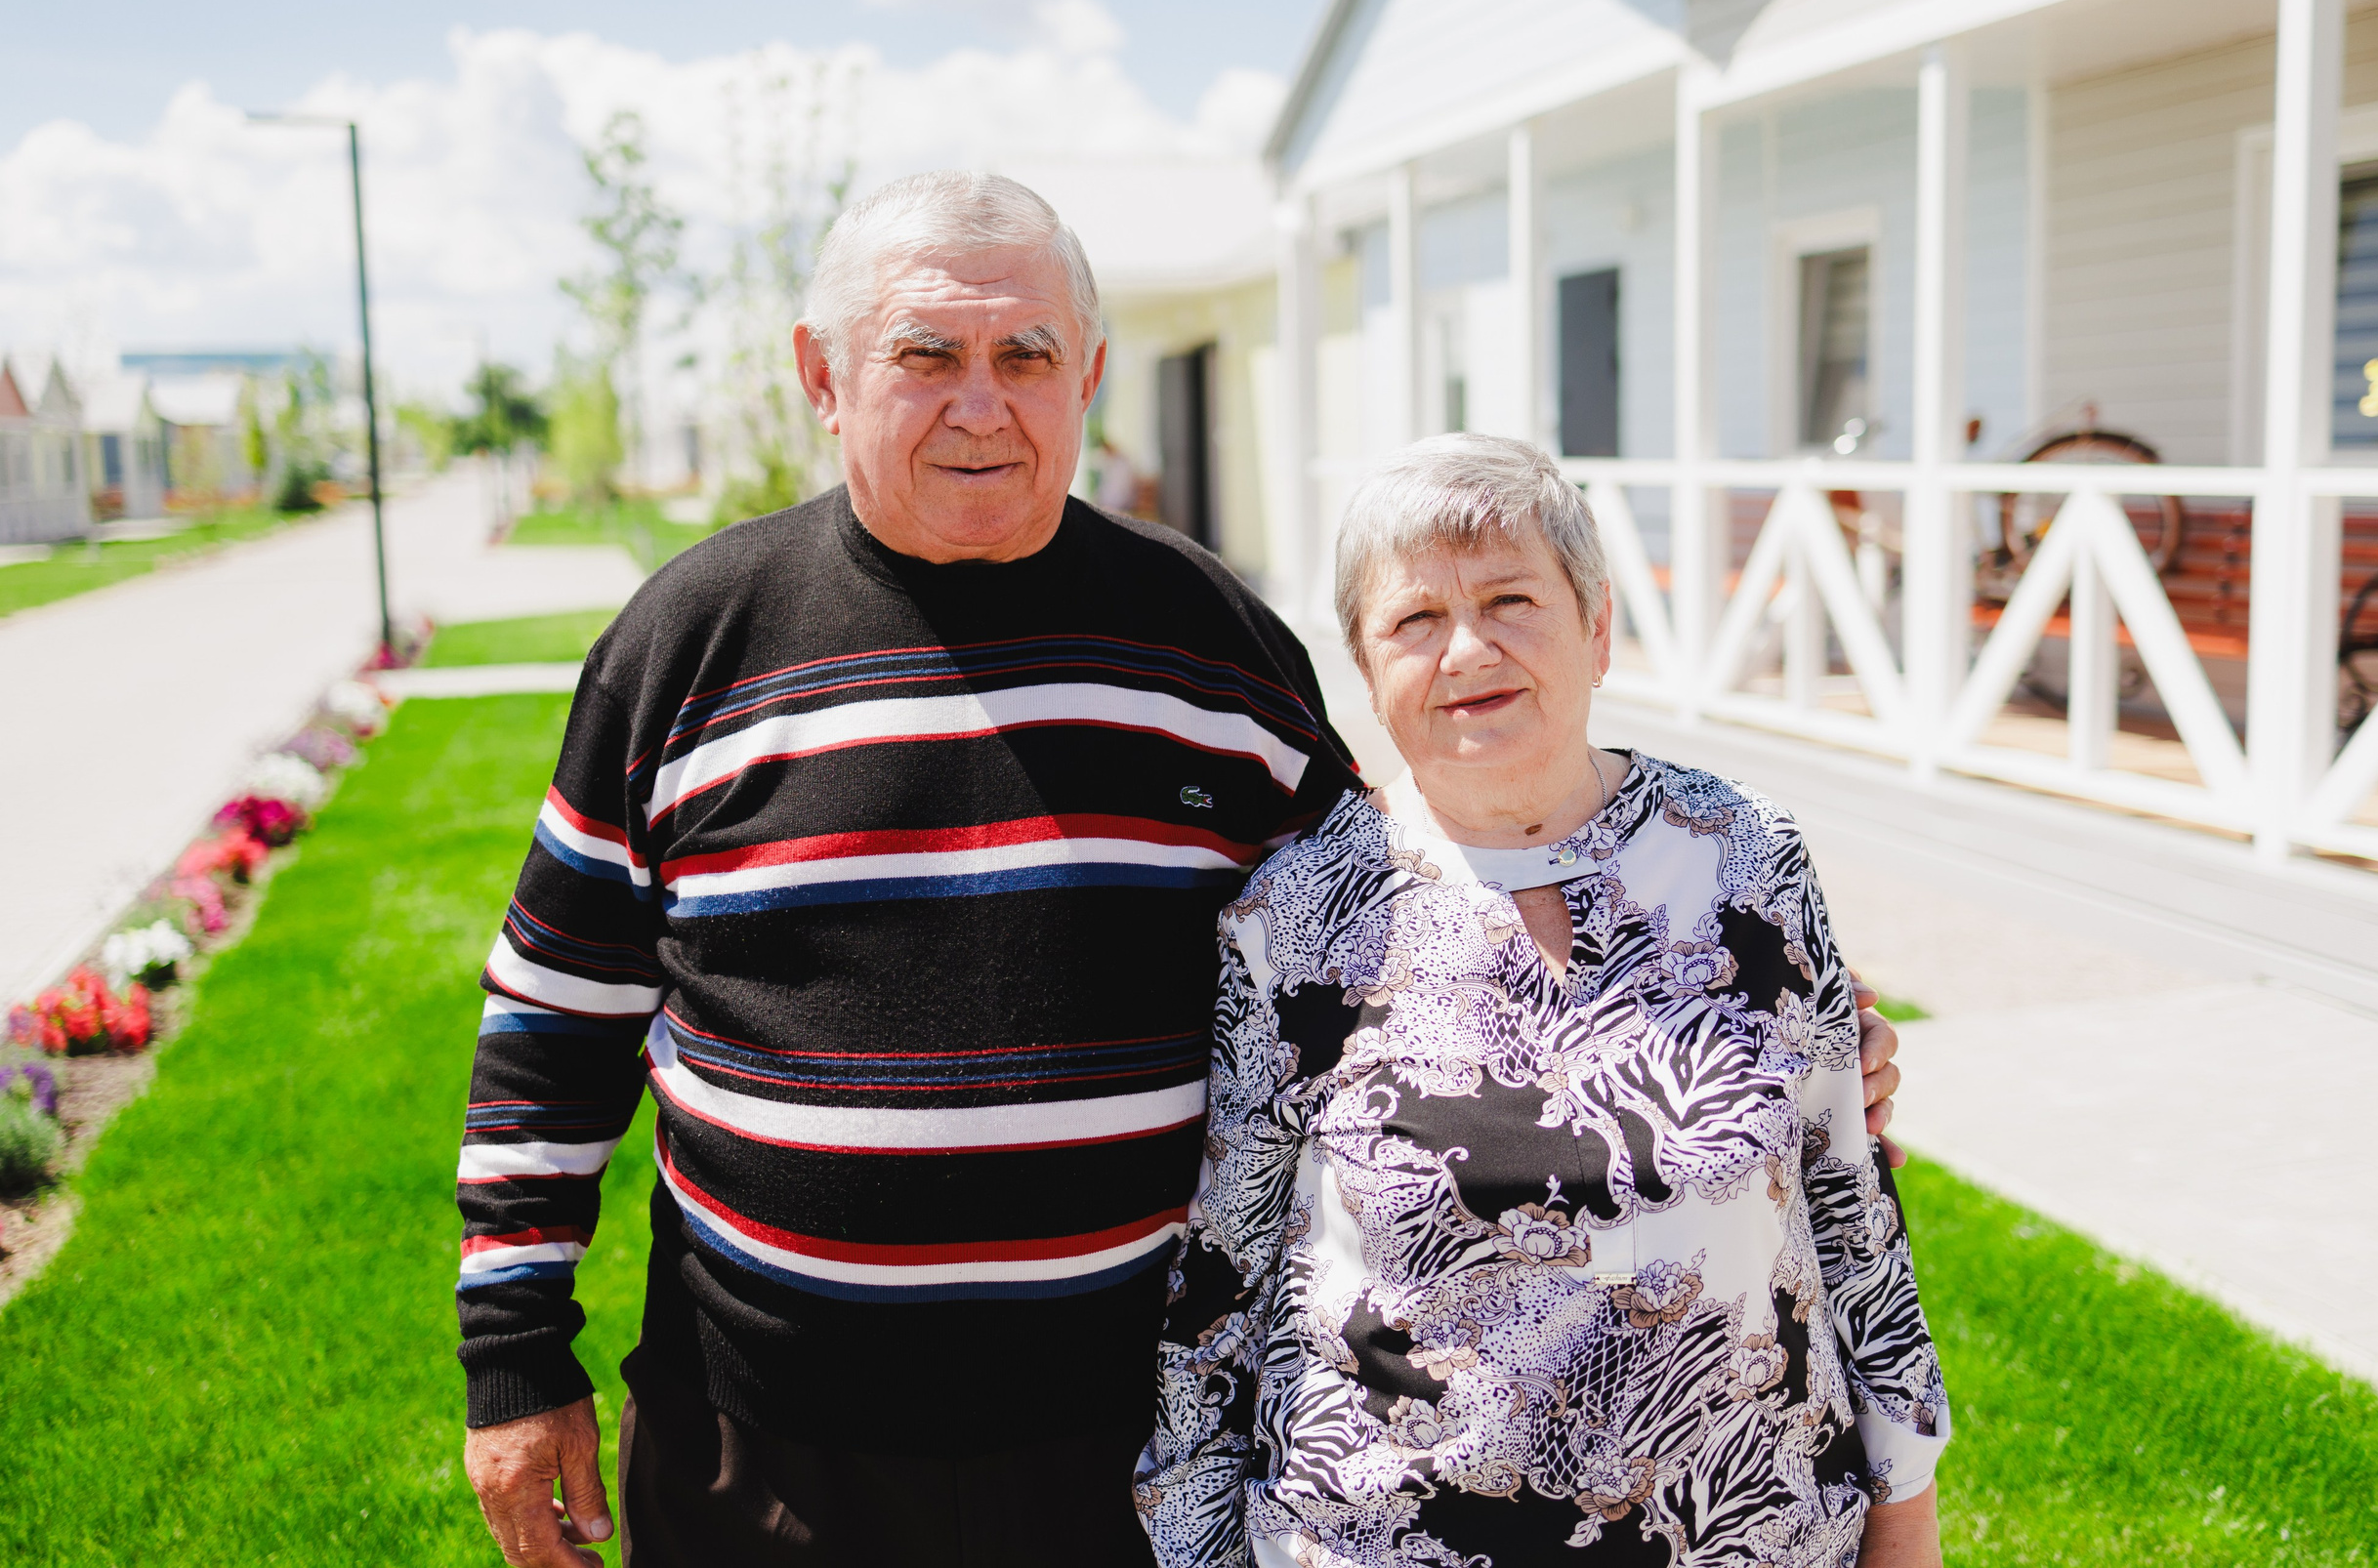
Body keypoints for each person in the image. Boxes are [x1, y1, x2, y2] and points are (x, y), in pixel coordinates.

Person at [454, 173, 1909, 1568]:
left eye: (1028, 354)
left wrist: (1759, 1036)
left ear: (1088, 376)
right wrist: (515, 1351)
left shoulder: (1213, 647)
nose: (982, 402)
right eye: (927, 354)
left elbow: (1407, 932)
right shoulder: (689, 645)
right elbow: (552, 1014)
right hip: (769, 1446)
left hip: (1111, 1446)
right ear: (822, 376)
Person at [1137, 435, 1949, 1568]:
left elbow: (1847, 1201)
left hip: (1748, 1530)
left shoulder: (1746, 857)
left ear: (1597, 627)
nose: (1468, 650)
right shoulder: (1295, 920)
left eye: (1510, 600)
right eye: (1415, 620)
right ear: (1367, 671)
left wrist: (1905, 1506)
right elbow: (1219, 1286)